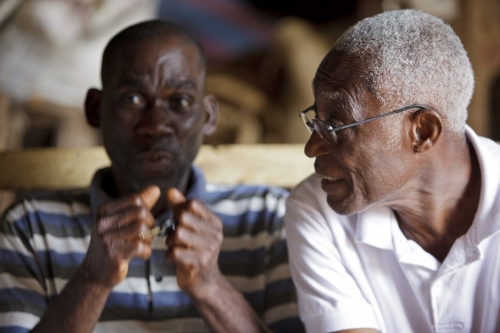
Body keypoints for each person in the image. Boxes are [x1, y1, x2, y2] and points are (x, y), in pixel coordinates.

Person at [0, 20, 303, 333]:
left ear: (208, 116)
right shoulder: (29, 227)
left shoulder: (268, 219)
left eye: (180, 102)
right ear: (95, 109)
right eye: (133, 99)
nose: (157, 123)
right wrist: (91, 280)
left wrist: (211, 287)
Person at [284, 9, 500, 333]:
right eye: (317, 119)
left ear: (422, 132)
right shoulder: (317, 211)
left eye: (336, 125)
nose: (312, 148)